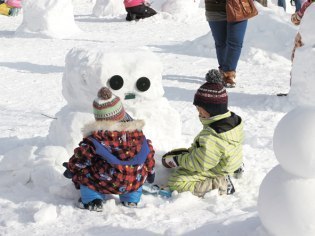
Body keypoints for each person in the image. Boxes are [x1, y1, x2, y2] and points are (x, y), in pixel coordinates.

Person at [63, 87, 156, 211]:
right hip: (133, 182)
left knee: (84, 173)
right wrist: (151, 172)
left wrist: (71, 168)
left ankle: (93, 200)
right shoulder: (138, 135)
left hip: (106, 181)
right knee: (136, 172)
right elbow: (148, 154)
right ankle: (131, 199)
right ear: (122, 113)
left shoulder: (96, 138)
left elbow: (82, 157)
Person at [161, 69, 244, 197]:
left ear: (212, 109)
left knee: (177, 181)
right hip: (229, 159)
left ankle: (220, 184)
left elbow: (201, 163)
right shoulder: (231, 120)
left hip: (216, 167)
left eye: (201, 110)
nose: (198, 113)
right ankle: (235, 167)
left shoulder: (212, 136)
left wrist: (178, 160)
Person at [205, 0, 248, 87]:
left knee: (236, 42)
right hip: (214, 8)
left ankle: (229, 74)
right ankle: (223, 71)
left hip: (238, 6)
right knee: (221, 42)